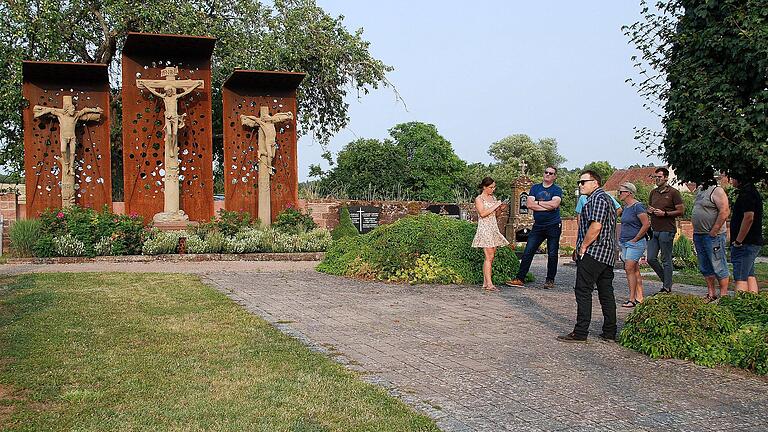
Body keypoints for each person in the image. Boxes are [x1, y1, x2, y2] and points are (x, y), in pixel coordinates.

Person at [558, 170, 618, 342]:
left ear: (595, 183)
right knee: (606, 292)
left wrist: (583, 246)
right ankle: (609, 332)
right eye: (580, 182)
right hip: (607, 253)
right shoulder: (606, 199)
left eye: (583, 182)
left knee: (583, 290)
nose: (580, 185)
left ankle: (581, 331)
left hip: (595, 251)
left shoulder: (598, 199)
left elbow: (596, 226)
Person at [506, 166, 563, 289]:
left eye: (551, 173)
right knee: (528, 251)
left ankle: (550, 280)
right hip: (538, 225)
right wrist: (546, 206)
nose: (548, 174)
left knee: (552, 253)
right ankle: (520, 278)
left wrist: (537, 203)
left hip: (553, 225)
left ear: (555, 176)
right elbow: (529, 204)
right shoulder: (535, 188)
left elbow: (555, 204)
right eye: (546, 172)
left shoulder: (556, 190)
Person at [691, 178, 730, 302]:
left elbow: (724, 211)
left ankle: (723, 296)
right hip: (699, 234)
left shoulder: (716, 191)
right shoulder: (700, 191)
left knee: (718, 265)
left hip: (713, 236)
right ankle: (711, 293)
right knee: (705, 266)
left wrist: (715, 230)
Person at [647, 167, 685, 293]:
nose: (657, 179)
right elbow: (649, 207)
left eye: (659, 177)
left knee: (665, 258)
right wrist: (650, 211)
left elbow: (681, 211)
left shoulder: (673, 192)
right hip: (654, 229)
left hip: (667, 229)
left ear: (666, 178)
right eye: (655, 177)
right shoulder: (653, 192)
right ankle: (666, 280)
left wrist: (665, 213)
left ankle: (667, 287)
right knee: (651, 258)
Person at [472, 177, 509, 291]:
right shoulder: (479, 199)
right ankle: (490, 284)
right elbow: (482, 213)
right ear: (484, 187)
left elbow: (495, 215)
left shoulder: (493, 198)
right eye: (491, 187)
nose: (493, 189)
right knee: (489, 256)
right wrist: (496, 205)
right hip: (484, 229)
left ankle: (485, 282)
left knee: (491, 257)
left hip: (493, 228)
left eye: (494, 187)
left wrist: (500, 209)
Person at [729, 174, 763, 294]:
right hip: (752, 241)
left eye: (732, 178)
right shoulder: (752, 192)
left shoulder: (746, 194)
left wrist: (739, 241)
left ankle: (739, 307)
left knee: (740, 278)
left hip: (745, 243)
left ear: (739, 179)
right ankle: (752, 304)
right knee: (749, 274)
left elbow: (749, 217)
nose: (731, 181)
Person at [617, 182, 650, 307]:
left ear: (629, 192)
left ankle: (631, 299)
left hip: (635, 243)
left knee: (629, 268)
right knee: (635, 270)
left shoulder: (638, 206)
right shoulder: (626, 207)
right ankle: (639, 297)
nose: (619, 194)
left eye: (621, 192)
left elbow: (646, 224)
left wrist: (636, 238)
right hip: (626, 242)